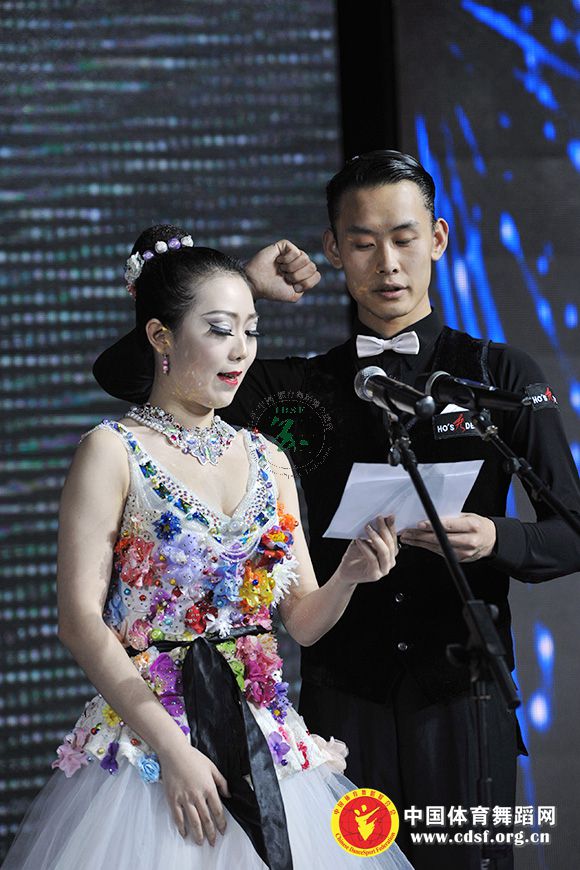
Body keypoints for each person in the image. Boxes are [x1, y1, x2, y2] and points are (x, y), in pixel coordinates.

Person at [93, 153, 580, 870]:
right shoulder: (294, 386)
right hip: (342, 705)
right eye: (362, 242)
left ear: (438, 239)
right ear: (332, 248)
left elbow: (571, 531)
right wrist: (243, 288)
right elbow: (135, 374)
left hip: (464, 694)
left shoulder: (498, 375)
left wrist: (496, 537)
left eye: (405, 238)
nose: (388, 263)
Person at [3, 225, 415, 870]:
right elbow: (80, 622)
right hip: (151, 741)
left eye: (252, 329)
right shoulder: (113, 450)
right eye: (221, 330)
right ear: (161, 336)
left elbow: (303, 622)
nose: (242, 350)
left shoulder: (268, 458)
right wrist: (174, 751)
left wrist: (350, 577)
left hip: (262, 736)